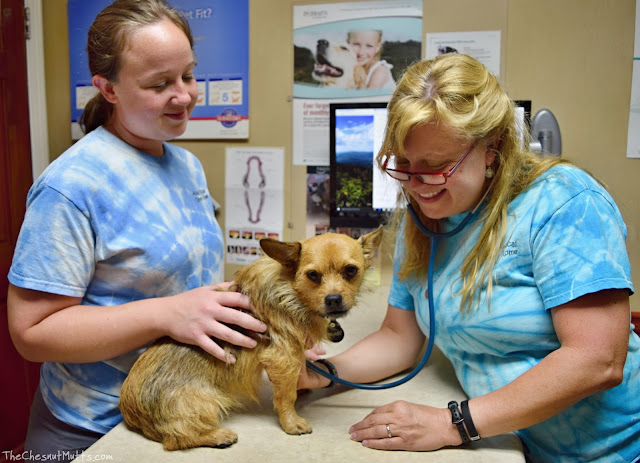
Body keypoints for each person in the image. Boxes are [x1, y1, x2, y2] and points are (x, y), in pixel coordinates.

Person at [299, 54, 640, 462]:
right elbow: (400, 338)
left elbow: (596, 360)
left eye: (437, 166)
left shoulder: (564, 202)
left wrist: (451, 424)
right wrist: (325, 375)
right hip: (516, 445)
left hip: (611, 450)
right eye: (403, 166)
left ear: (492, 147)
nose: (417, 185)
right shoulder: (423, 218)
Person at [7, 1, 266, 461]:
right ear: (107, 88)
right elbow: (32, 333)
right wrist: (165, 314)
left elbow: (195, 297)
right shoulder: (70, 186)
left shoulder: (185, 163)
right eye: (159, 84)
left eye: (188, 75)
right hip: (90, 431)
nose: (184, 95)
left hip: (179, 408)